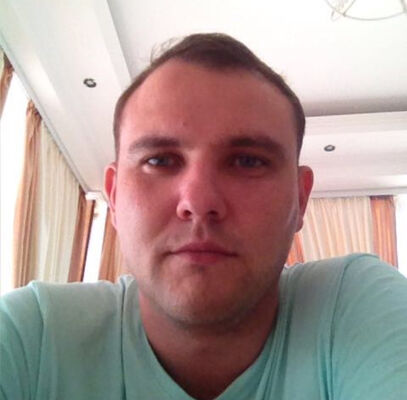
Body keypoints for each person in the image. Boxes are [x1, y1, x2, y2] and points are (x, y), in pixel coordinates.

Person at [1, 33, 406, 400]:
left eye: (247, 161)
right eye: (159, 160)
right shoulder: (31, 337)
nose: (198, 202)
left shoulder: (356, 306)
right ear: (115, 196)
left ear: (300, 200)